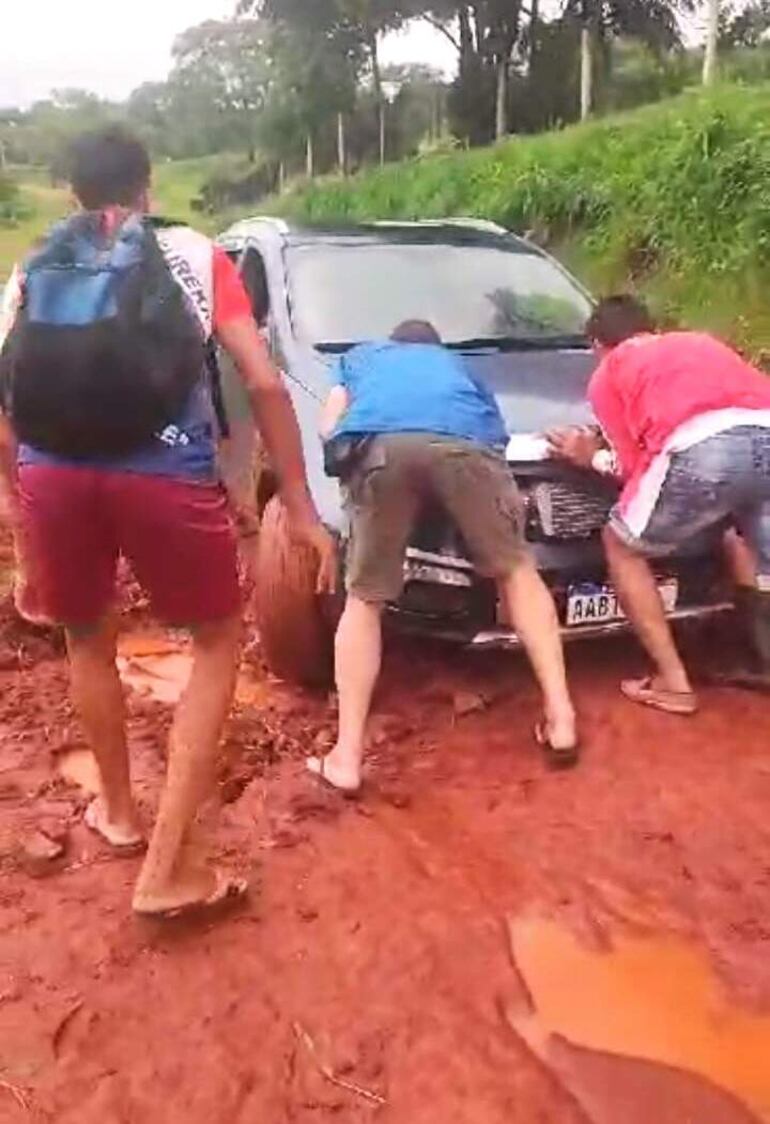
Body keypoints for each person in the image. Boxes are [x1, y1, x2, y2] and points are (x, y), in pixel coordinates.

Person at [0, 127, 335, 919]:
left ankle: (117, 813)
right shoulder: (192, 252)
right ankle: (168, 872)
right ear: (147, 188)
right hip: (162, 470)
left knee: (88, 638)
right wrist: (299, 503)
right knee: (217, 641)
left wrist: (21, 526)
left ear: (73, 192)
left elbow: (6, 411)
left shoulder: (32, 267)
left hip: (52, 474)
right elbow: (261, 381)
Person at [307, 319, 579, 793]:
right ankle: (561, 720)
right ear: (435, 347)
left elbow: (330, 427)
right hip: (465, 448)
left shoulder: (360, 358)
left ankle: (346, 758)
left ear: (393, 343)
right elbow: (495, 439)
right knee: (516, 571)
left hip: (381, 449)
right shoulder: (460, 367)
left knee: (365, 597)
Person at [549, 295, 770, 714]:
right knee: (750, 539)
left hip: (703, 449)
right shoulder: (702, 342)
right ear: (650, 327)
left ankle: (674, 682)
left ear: (597, 344)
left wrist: (588, 455)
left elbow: (634, 466)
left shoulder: (610, 371)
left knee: (621, 545)